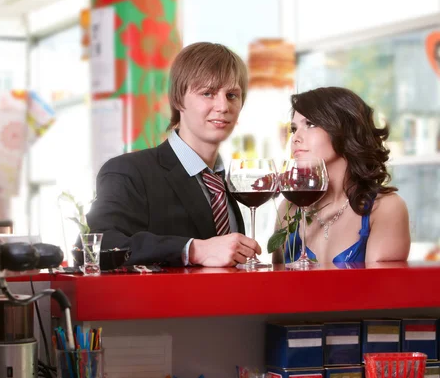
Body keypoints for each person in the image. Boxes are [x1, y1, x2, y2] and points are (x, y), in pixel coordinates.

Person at [86, 42, 261, 267]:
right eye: (207, 93)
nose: (223, 106)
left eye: (232, 95)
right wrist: (193, 250)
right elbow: (99, 246)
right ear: (178, 99)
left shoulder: (224, 182)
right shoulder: (129, 171)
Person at [274, 87, 411, 265]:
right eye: (294, 129)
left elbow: (382, 290)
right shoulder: (289, 209)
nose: (295, 138)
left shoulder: (385, 208)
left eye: (310, 124)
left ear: (345, 130)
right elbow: (275, 287)